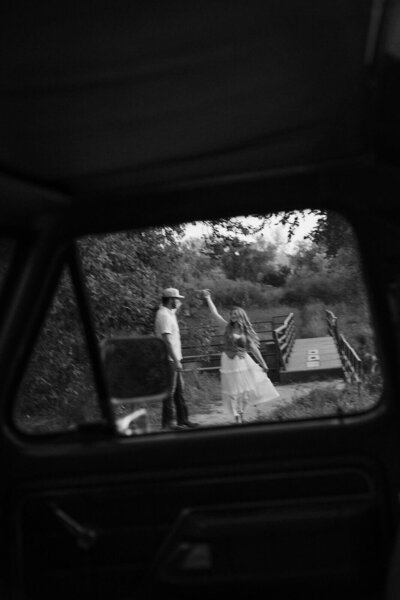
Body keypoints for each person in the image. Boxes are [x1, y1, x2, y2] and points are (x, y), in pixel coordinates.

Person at [202, 289, 279, 423]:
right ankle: (236, 416)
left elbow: (254, 349)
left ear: (241, 316)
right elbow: (215, 313)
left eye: (236, 314)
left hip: (243, 361)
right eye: (232, 314)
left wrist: (263, 364)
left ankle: (242, 412)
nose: (233, 316)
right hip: (229, 360)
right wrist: (208, 298)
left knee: (246, 390)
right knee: (233, 390)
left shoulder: (246, 332)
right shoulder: (226, 327)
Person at [154, 288, 198, 430]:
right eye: (177, 299)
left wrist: (197, 295)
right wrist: (176, 360)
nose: (178, 301)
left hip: (174, 358)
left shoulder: (168, 312)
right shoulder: (164, 316)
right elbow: (166, 340)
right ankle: (168, 423)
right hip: (170, 359)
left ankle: (182, 420)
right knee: (170, 391)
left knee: (179, 391)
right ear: (171, 300)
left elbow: (176, 309)